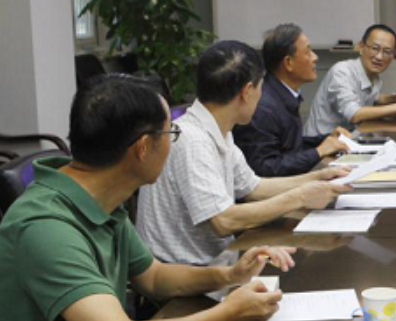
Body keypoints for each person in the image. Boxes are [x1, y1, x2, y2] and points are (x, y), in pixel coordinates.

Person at [0, 74, 293, 321]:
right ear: (143, 147)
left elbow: (153, 276)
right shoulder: (47, 227)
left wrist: (228, 276)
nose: (172, 143)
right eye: (170, 134)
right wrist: (228, 315)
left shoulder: (100, 199)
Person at [137, 41, 349, 266]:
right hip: (187, 275)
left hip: (220, 263)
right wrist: (299, 197)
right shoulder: (193, 140)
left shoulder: (217, 129)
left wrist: (317, 177)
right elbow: (224, 221)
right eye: (260, 87)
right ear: (247, 92)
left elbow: (253, 188)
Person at [233, 24, 349, 176]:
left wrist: (327, 139)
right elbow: (263, 168)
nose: (315, 57)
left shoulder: (280, 93)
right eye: (308, 52)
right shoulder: (262, 107)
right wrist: (319, 151)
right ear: (288, 63)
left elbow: (289, 147)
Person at [304, 24, 396, 136]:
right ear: (361, 47)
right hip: (318, 143)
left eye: (387, 51)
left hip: (346, 138)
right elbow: (354, 114)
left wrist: (393, 99)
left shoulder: (373, 76)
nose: (379, 57)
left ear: (393, 55)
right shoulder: (342, 72)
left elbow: (370, 97)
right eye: (375, 48)